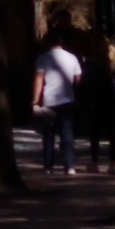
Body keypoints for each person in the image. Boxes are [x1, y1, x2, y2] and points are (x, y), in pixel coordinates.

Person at [33, 28, 84, 173]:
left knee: (48, 134)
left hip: (49, 100)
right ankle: (69, 165)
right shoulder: (72, 58)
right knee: (67, 133)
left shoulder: (42, 58)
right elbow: (78, 78)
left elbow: (39, 80)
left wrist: (35, 100)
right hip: (67, 99)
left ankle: (48, 166)